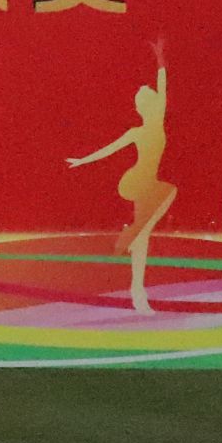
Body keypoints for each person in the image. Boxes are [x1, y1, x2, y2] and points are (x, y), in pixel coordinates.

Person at [67, 39, 175, 313]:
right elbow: (109, 149)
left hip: (149, 184)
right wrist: (82, 160)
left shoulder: (157, 121)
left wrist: (160, 60)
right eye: (151, 96)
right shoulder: (137, 132)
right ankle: (132, 254)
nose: (156, 97)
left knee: (143, 237)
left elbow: (163, 87)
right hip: (138, 181)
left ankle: (137, 288)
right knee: (144, 231)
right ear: (144, 107)